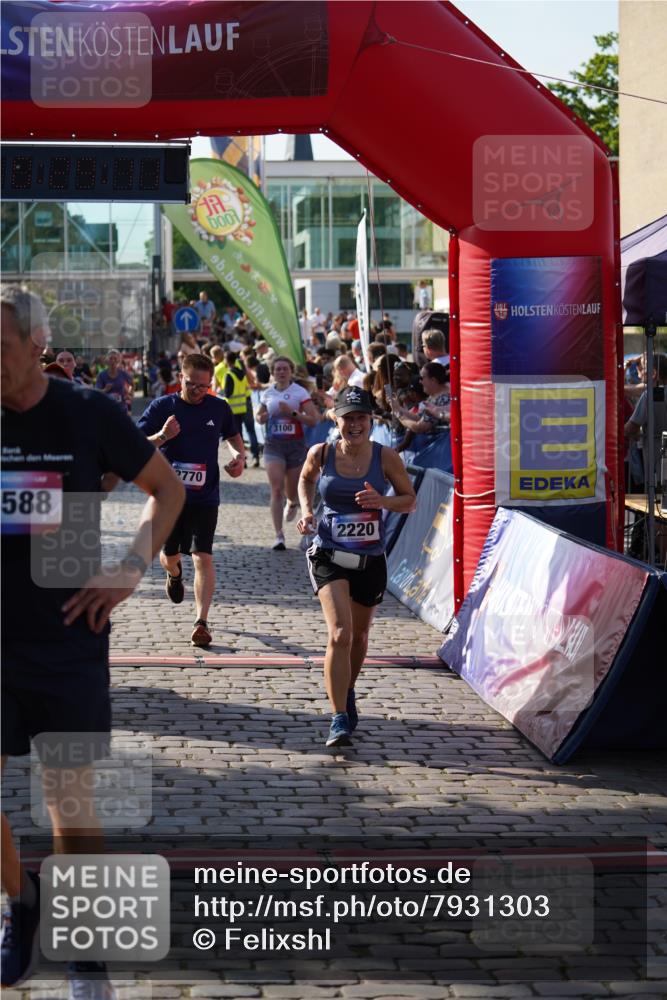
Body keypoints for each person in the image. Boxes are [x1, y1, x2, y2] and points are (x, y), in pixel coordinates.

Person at [1, 286, 185, 996]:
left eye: (1, 347)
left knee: (68, 799)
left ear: (37, 346)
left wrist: (130, 568)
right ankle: (21, 902)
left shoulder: (87, 413)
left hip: (67, 637)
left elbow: (164, 492)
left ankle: (86, 950)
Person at [297, 386, 417, 747]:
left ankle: (346, 689)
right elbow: (304, 479)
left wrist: (382, 501)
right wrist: (306, 511)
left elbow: (409, 501)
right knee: (340, 634)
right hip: (330, 553)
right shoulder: (321, 453)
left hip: (370, 558)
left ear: (370, 421)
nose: (355, 424)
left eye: (361, 417)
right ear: (336, 419)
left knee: (361, 637)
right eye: (348, 417)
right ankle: (337, 718)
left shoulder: (386, 458)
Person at [137, 353, 245, 647]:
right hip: (169, 497)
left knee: (203, 557)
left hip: (205, 497)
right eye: (192, 384)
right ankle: (173, 575)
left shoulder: (218, 407)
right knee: (170, 556)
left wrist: (239, 456)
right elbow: (134, 444)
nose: (198, 391)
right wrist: (162, 435)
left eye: (204, 386)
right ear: (180, 378)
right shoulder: (163, 407)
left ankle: (202, 621)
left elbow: (234, 436)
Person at [255, 356, 320, 550]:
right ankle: (279, 535)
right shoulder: (267, 393)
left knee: (292, 491)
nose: (281, 372)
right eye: (277, 369)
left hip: (295, 446)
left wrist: (293, 413)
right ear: (272, 373)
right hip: (273, 445)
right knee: (275, 488)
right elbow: (259, 417)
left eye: (285, 369)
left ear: (291, 371)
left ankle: (291, 502)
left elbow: (314, 419)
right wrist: (265, 416)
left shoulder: (299, 392)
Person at [391, 361, 451, 435]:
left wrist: (399, 415)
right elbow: (418, 417)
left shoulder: (443, 399)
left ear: (433, 380)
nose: (420, 382)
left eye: (422, 378)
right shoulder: (434, 396)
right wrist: (398, 408)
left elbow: (420, 427)